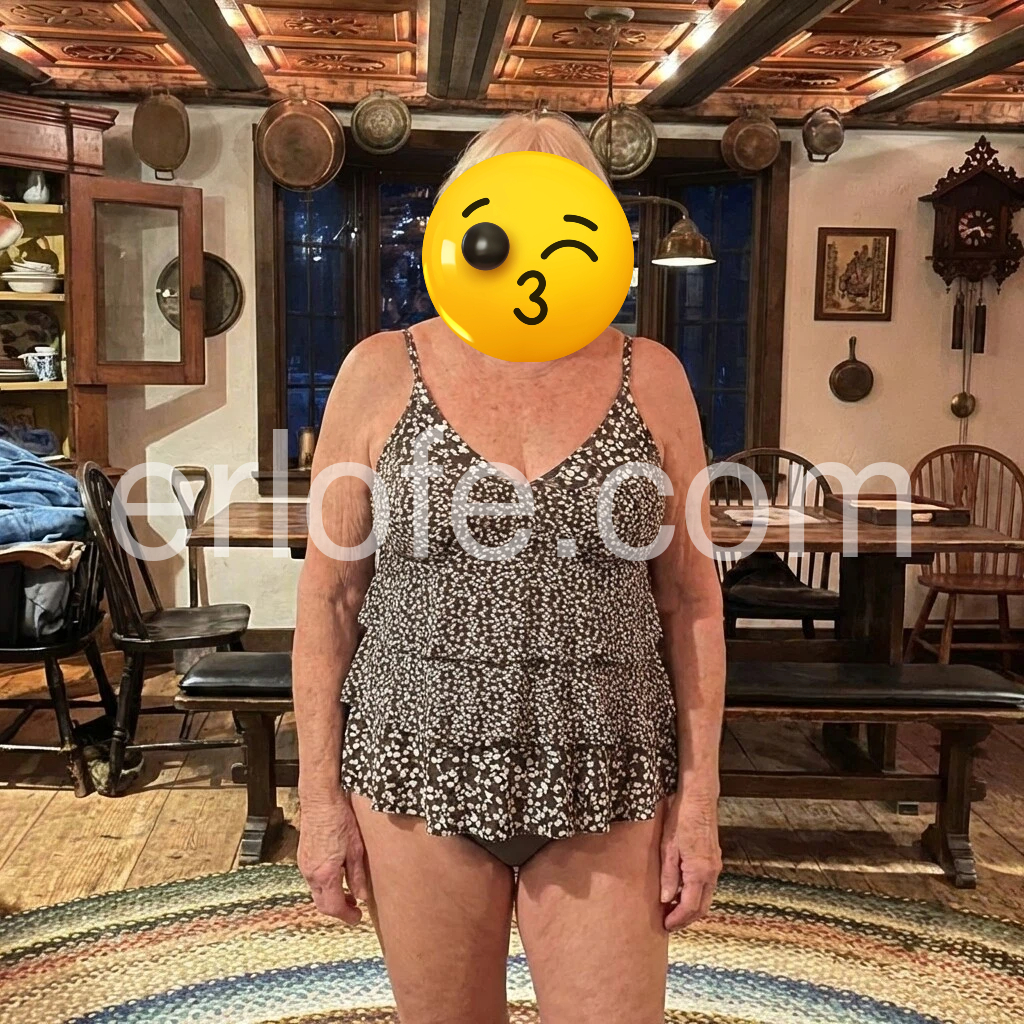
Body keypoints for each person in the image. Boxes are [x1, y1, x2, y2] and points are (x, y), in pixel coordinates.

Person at [292, 111, 726, 1024]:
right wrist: (319, 797)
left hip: (609, 767)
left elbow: (691, 600)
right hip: (415, 764)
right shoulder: (380, 370)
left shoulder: (652, 376)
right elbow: (328, 601)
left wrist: (700, 800)